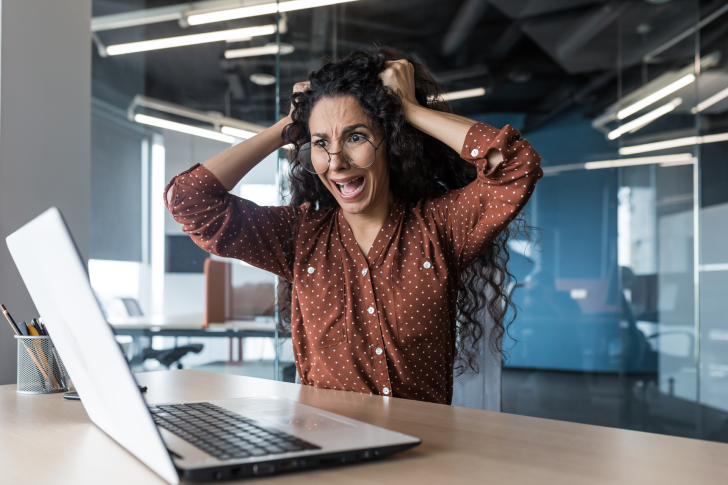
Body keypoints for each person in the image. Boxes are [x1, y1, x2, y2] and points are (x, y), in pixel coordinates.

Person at [164, 47, 542, 404]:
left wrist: (406, 109)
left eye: (355, 137)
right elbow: (189, 200)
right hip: (327, 453)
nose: (335, 162)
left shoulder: (439, 228)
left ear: (390, 142)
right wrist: (288, 124)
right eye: (320, 143)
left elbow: (516, 166)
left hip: (424, 454)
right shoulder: (299, 238)